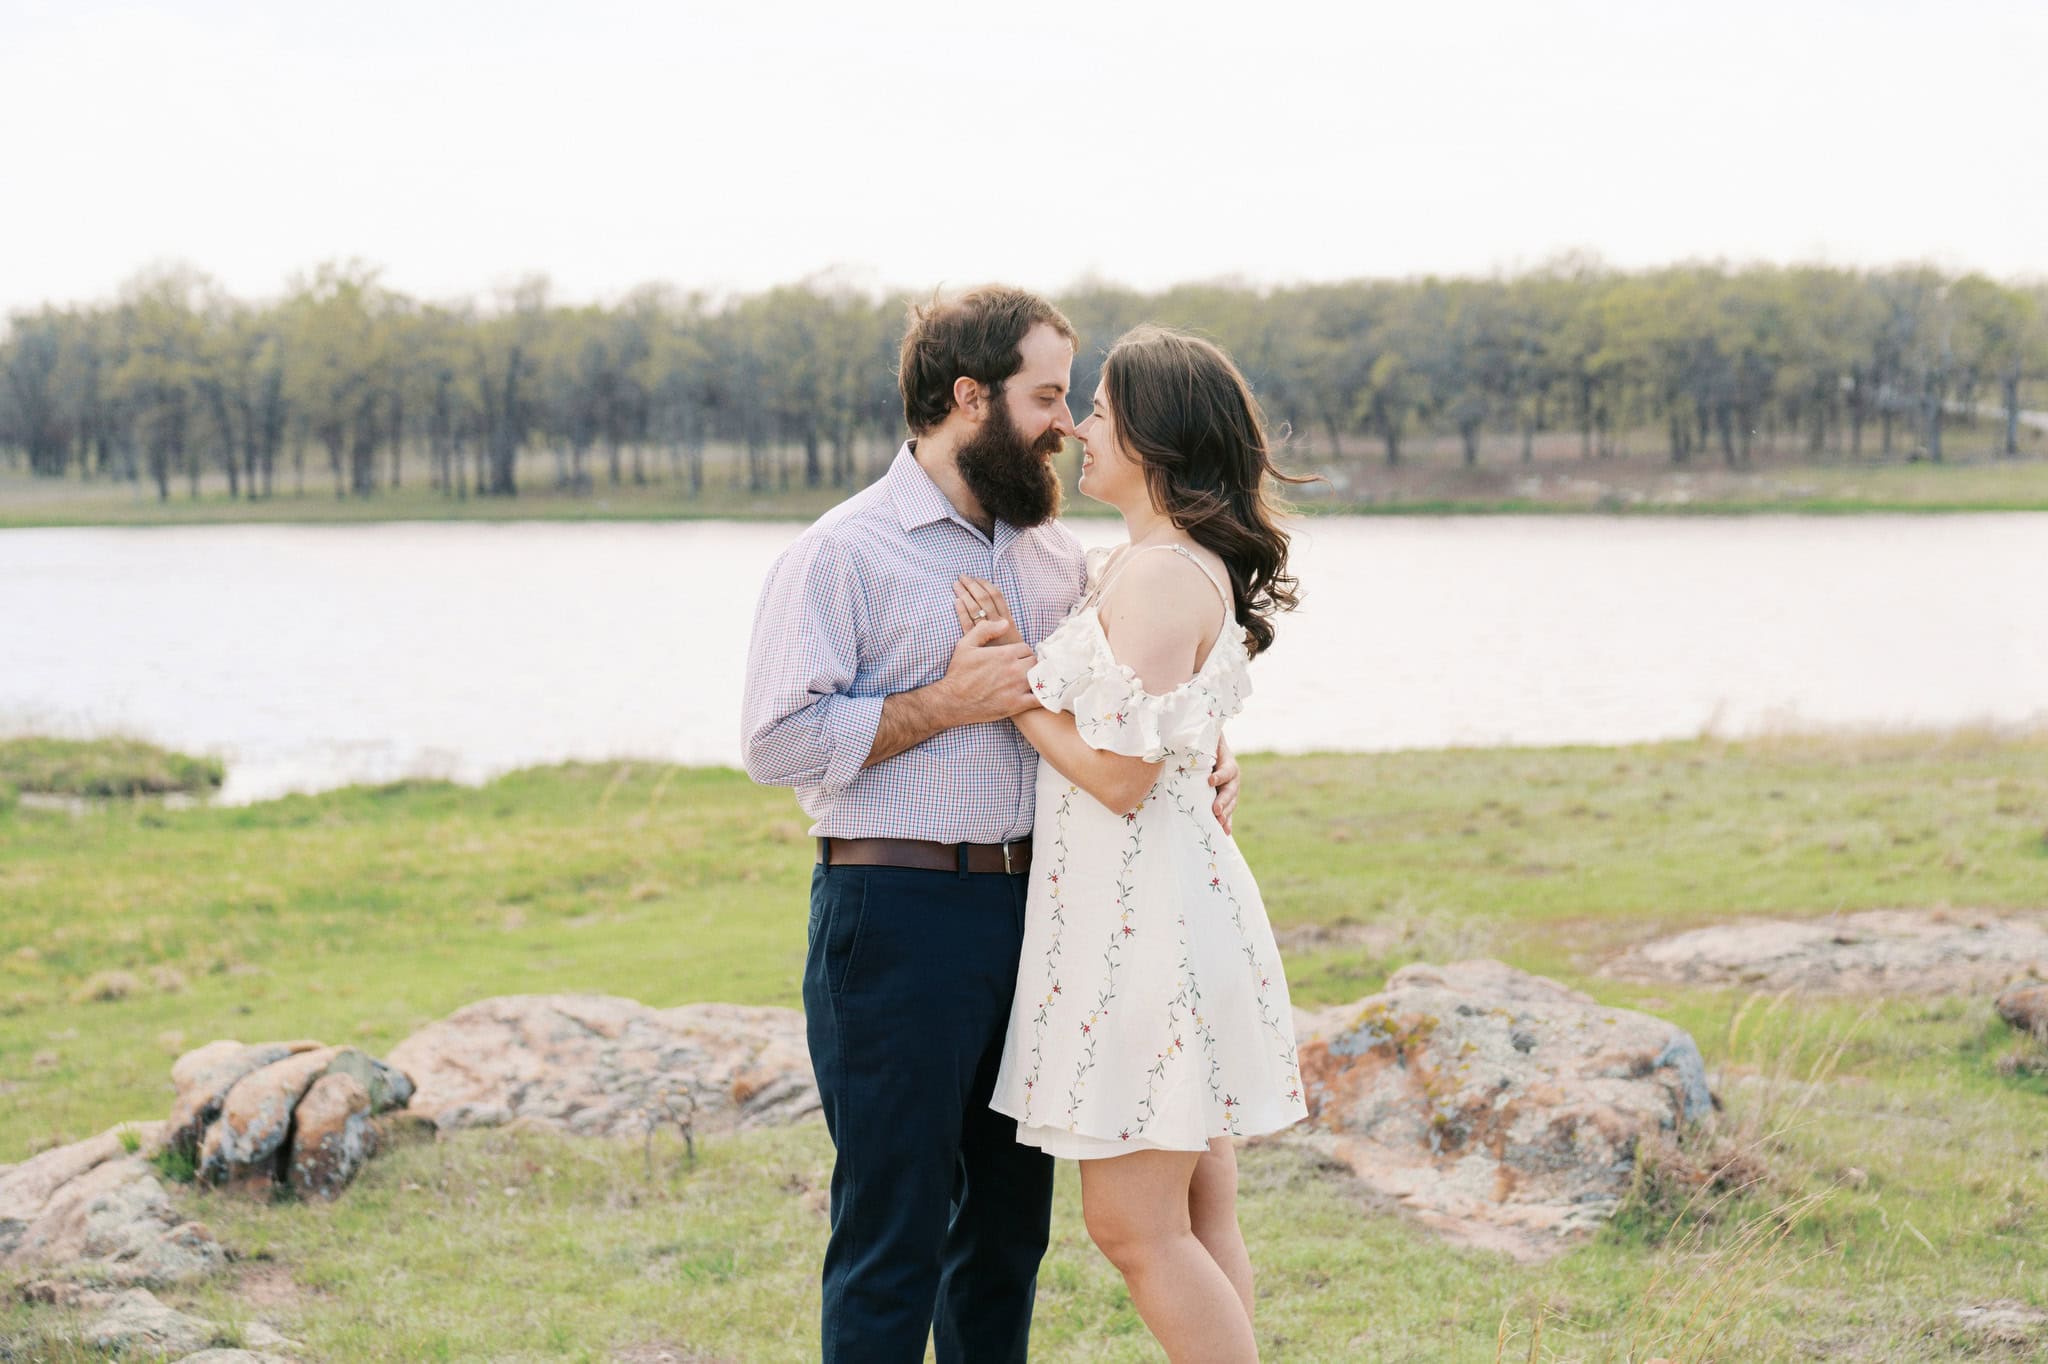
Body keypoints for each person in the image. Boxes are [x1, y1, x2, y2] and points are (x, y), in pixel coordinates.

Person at [740, 288, 1241, 1364]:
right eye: (1045, 396)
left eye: (1072, 398)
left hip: (1038, 919)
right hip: (896, 914)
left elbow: (1130, 699)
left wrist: (1201, 751)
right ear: (969, 397)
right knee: (893, 1232)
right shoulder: (842, 553)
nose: (1065, 422)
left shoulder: (1054, 554)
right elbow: (774, 741)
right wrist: (939, 704)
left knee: (1006, 1232)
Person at [963, 324, 1308, 1364]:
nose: (1078, 426)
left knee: (1135, 1226)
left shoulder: (1160, 575)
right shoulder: (1152, 563)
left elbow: (1116, 776)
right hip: (1154, 906)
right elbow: (1161, 739)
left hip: (1144, 932)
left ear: (1153, 435)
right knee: (1198, 1216)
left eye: (1101, 409)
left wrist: (1007, 684)